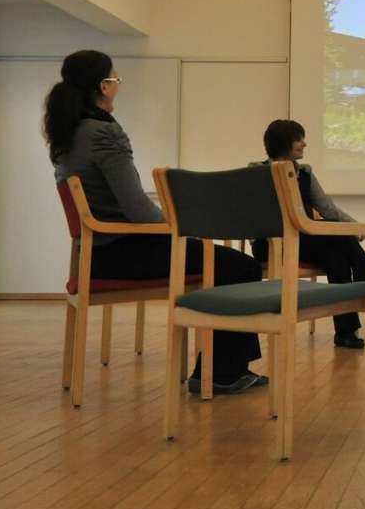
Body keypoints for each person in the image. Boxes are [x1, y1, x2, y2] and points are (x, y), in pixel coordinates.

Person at [44, 49, 265, 395]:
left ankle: (228, 368)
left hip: (97, 254)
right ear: (103, 86)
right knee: (242, 267)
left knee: (226, 263)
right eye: (116, 79)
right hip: (126, 252)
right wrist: (179, 228)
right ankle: (222, 373)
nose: (118, 85)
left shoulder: (69, 133)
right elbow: (136, 208)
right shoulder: (104, 133)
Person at [257, 118, 365, 350]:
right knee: (339, 241)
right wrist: (352, 230)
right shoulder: (257, 172)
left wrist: (355, 226)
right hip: (273, 244)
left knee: (338, 259)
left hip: (305, 240)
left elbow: (328, 209)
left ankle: (346, 331)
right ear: (283, 143)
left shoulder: (304, 173)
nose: (304, 144)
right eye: (299, 139)